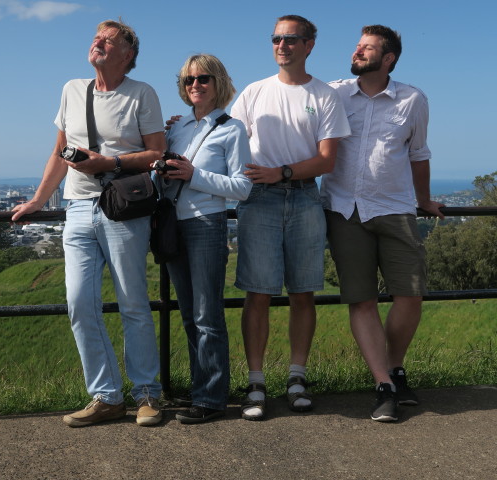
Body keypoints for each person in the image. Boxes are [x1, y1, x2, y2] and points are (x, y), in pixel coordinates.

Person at [11, 19, 166, 427]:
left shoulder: (141, 94)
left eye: (108, 40)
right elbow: (59, 151)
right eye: (96, 37)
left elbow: (156, 154)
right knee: (79, 304)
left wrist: (109, 162)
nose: (97, 43)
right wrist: (38, 201)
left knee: (134, 303)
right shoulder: (71, 89)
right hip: (77, 207)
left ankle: (147, 394)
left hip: (123, 208)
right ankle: (106, 396)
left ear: (127, 54)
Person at [321, 25, 445, 422]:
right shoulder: (335, 92)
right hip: (343, 210)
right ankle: (385, 385)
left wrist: (423, 200)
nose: (358, 52)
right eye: (357, 46)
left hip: (395, 208)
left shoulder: (412, 99)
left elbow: (419, 154)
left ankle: (394, 366)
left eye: (367, 48)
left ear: (388, 58)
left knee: (410, 296)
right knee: (362, 300)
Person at [231, 14, 351, 420]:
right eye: (276, 39)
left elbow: (327, 159)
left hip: (303, 199)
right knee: (258, 293)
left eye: (291, 39)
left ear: (309, 45)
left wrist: (281, 172)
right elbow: (226, 139)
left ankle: (297, 377)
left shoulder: (325, 96)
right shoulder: (253, 92)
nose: (282, 45)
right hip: (259, 199)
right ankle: (256, 381)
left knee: (303, 292)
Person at [156, 54, 251, 424]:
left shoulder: (232, 128)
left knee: (206, 314)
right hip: (172, 225)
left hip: (206, 224)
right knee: (187, 316)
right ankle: (201, 389)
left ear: (219, 82)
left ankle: (210, 399)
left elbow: (242, 188)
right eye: (187, 80)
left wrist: (193, 174)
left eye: (203, 79)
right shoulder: (176, 128)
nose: (195, 85)